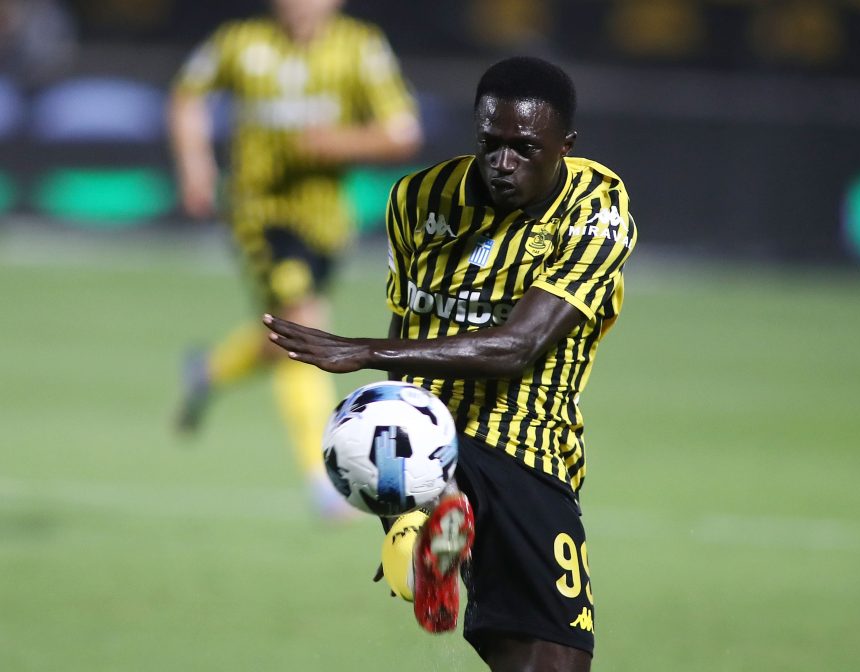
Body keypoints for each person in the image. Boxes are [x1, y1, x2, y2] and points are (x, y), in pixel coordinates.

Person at [265, 57, 637, 671]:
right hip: (478, 444)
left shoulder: (594, 205)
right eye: (490, 143)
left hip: (530, 442)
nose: (503, 162)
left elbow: (518, 346)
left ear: (565, 146)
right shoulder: (418, 199)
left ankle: (432, 529)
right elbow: (407, 321)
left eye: (525, 148)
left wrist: (364, 352)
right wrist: (396, 463)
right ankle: (427, 513)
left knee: (539, 659)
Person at [168, 0, 422, 517]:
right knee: (303, 324)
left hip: (326, 220)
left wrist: (339, 142)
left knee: (283, 331)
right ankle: (323, 477)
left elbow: (402, 133)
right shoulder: (240, 41)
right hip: (259, 213)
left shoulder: (360, 46)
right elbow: (186, 96)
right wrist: (196, 165)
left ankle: (209, 371)